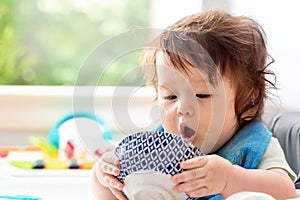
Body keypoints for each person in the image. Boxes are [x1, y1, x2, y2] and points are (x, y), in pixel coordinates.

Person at [91, 10, 297, 200]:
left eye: (201, 95)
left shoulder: (254, 146)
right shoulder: (155, 149)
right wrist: (105, 180)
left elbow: (286, 190)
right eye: (170, 97)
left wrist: (230, 179)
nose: (182, 108)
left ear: (249, 102)